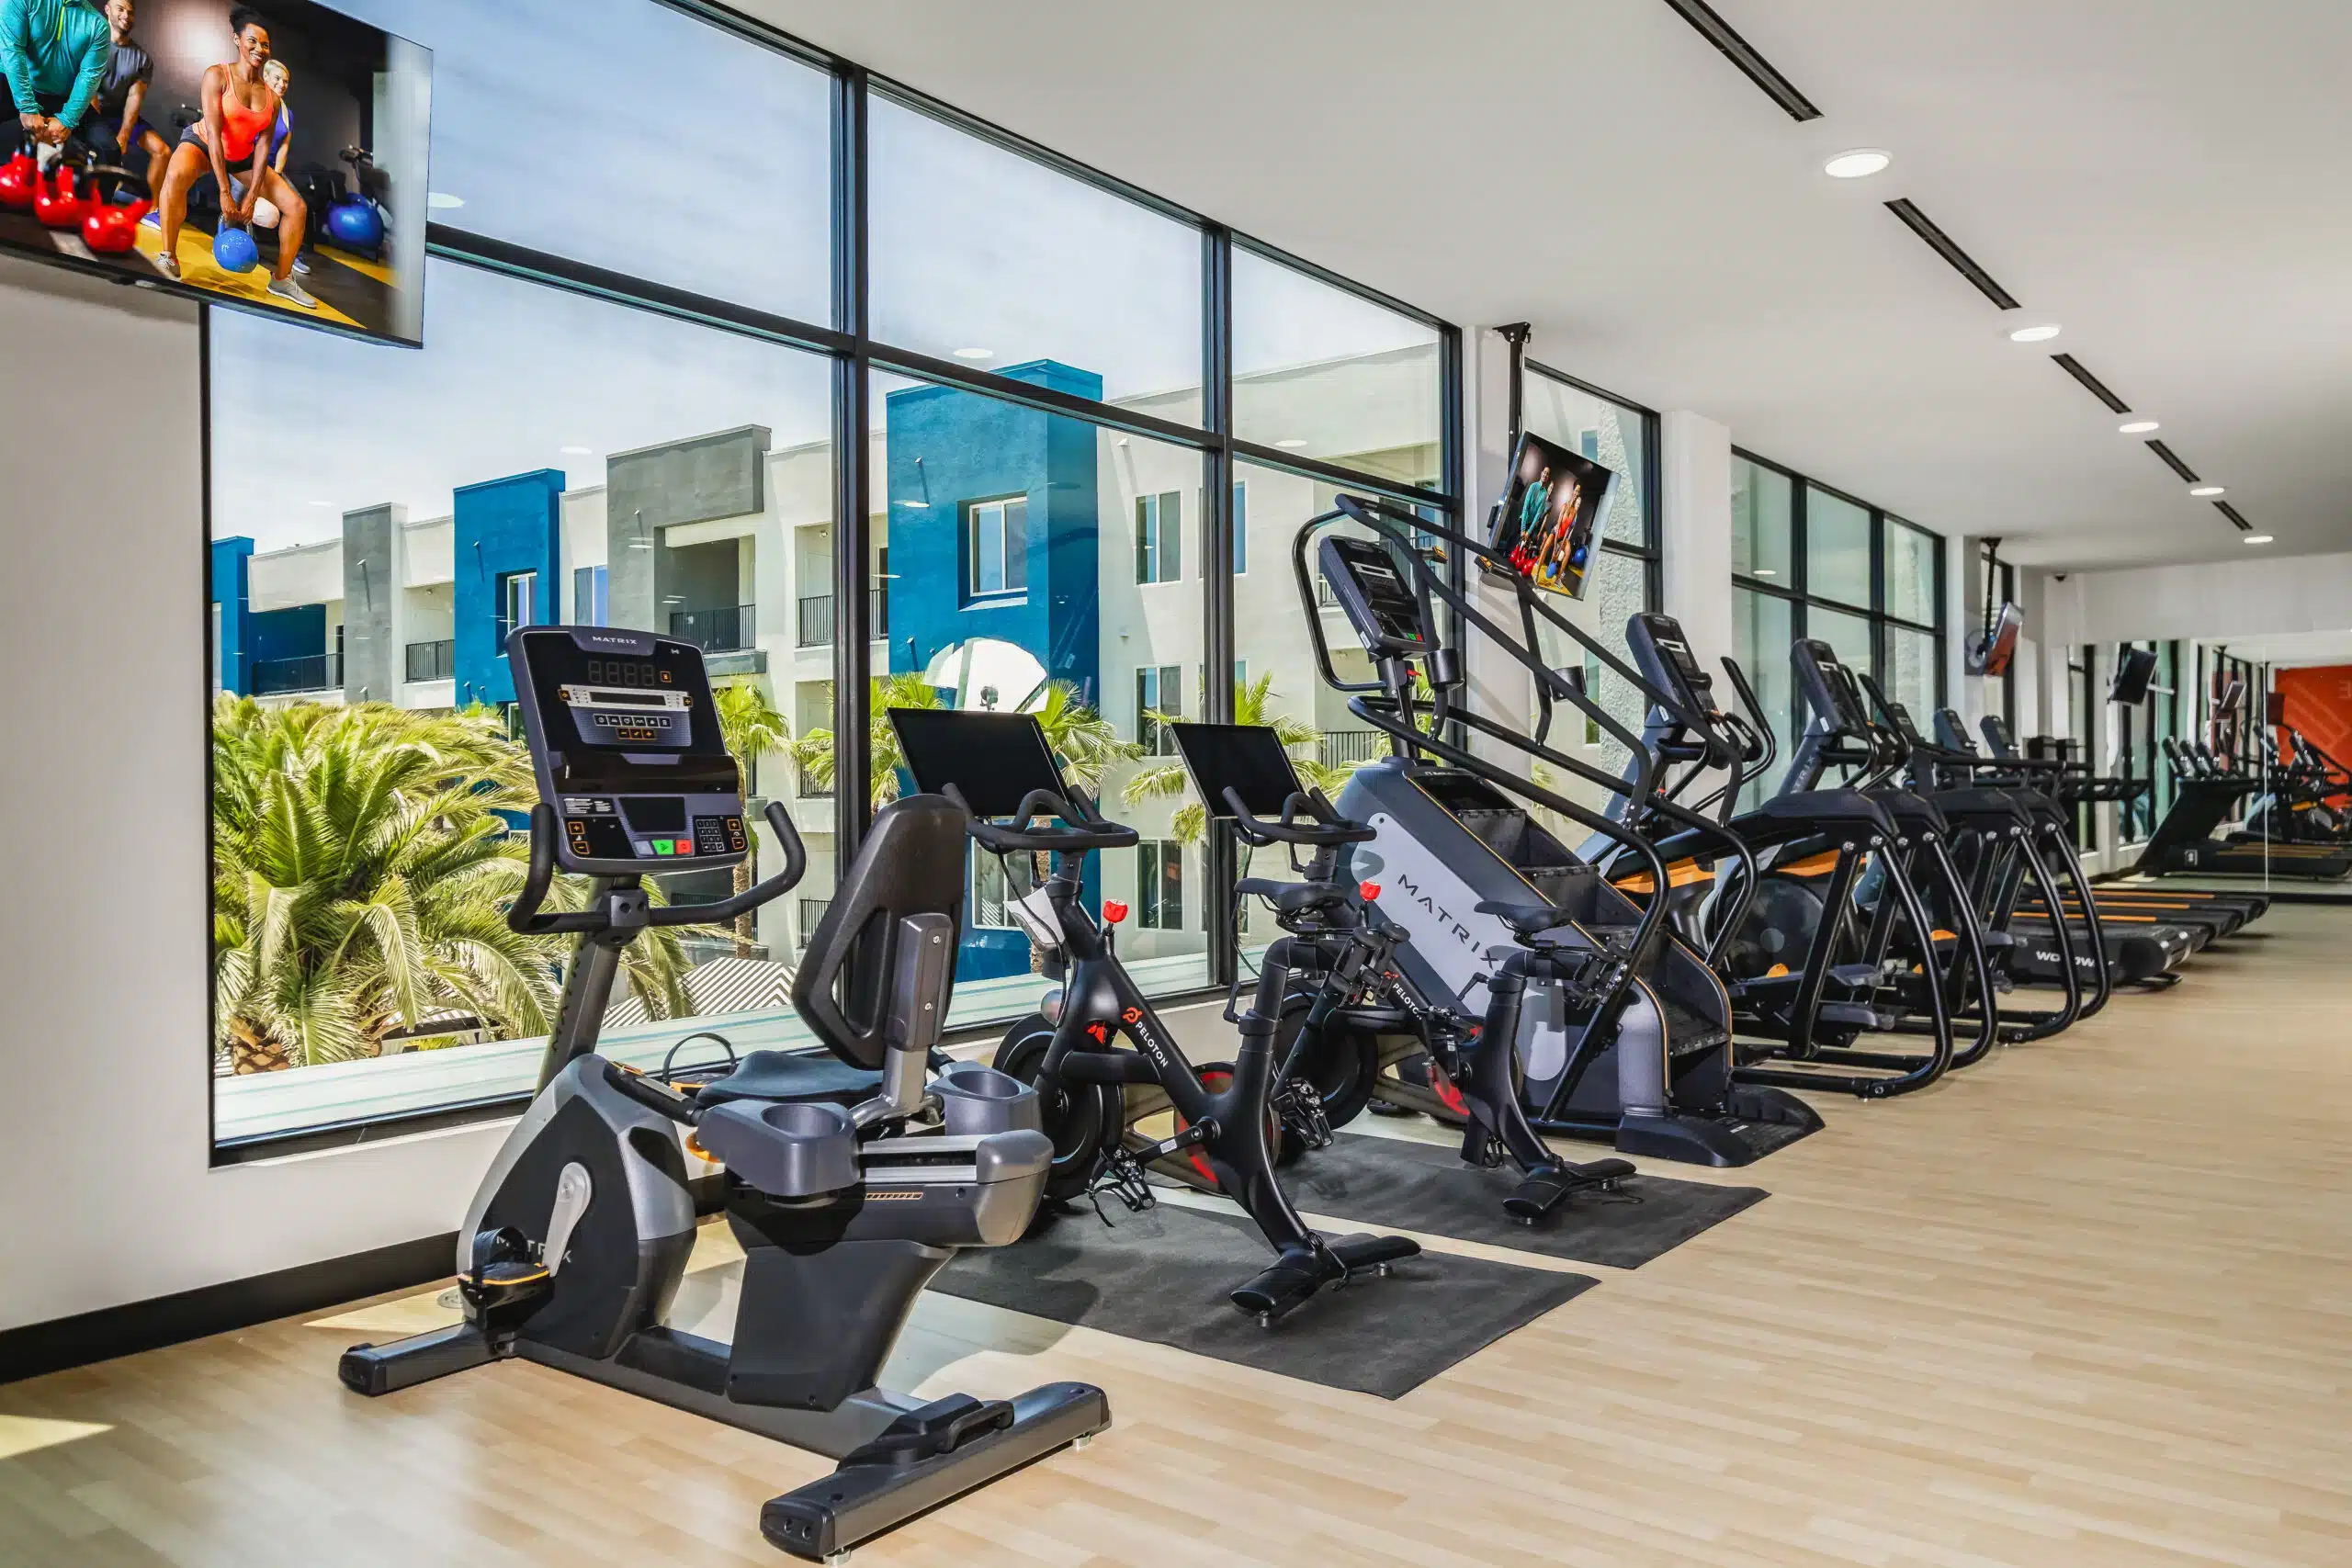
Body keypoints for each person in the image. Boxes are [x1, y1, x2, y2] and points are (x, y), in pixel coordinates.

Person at [153, 6, 312, 309]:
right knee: (174, 177)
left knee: (296, 207)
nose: (259, 49)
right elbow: (213, 134)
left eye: (265, 44)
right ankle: (168, 257)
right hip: (202, 144)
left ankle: (281, 279)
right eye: (252, 41)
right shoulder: (217, 76)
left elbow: (264, 148)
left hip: (241, 158)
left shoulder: (272, 99)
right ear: (237, 40)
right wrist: (225, 193)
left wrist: (251, 197)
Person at [0, 0, 112, 156]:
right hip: (14, 83)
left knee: (109, 150)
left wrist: (67, 120)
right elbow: (12, 50)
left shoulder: (98, 25)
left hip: (61, 96)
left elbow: (89, 77)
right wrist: (27, 106)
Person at [76, 0, 163, 197]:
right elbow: (88, 87)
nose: (126, 15)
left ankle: (151, 209)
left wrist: (123, 136)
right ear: (107, 10)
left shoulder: (142, 58)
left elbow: (135, 98)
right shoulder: (91, 42)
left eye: (130, 12)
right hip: (86, 110)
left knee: (162, 151)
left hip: (119, 115)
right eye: (121, 9)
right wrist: (104, 137)